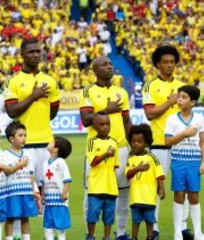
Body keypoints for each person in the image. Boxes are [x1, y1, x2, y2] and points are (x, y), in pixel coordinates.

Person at [79, 56, 131, 240]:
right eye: (104, 64)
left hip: (121, 148)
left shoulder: (122, 92)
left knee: (123, 192)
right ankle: (89, 234)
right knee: (91, 194)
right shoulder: (87, 92)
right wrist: (107, 109)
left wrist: (133, 147)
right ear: (95, 70)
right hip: (97, 149)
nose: (109, 67)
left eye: (110, 64)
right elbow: (85, 121)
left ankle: (121, 233)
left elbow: (126, 121)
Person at [142, 45, 190, 239]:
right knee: (155, 187)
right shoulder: (150, 86)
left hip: (181, 144)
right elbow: (150, 113)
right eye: (165, 62)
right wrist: (170, 101)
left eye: (172, 62)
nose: (169, 65)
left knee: (182, 187)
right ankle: (153, 228)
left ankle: (182, 228)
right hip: (159, 144)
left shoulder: (182, 87)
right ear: (157, 64)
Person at [4, 38, 60, 189]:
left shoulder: (50, 81)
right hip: (23, 145)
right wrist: (33, 96)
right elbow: (11, 111)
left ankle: (44, 214)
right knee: (25, 190)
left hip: (46, 143)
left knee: (48, 189)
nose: (35, 55)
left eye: (38, 51)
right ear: (22, 54)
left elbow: (52, 112)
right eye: (31, 52)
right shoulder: (13, 81)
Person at [165, 85, 204, 240]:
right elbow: (168, 142)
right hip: (178, 161)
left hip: (194, 162)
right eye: (179, 97)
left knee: (194, 196)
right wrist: (184, 134)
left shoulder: (199, 118)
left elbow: (203, 142)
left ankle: (198, 232)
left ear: (193, 102)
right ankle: (178, 233)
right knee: (179, 195)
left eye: (184, 97)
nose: (179, 100)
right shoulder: (171, 119)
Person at [125, 124, 165, 240]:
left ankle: (149, 236)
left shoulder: (152, 158)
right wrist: (137, 169)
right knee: (135, 220)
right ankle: (134, 237)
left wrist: (161, 188)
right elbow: (128, 175)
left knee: (149, 220)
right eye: (133, 141)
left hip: (149, 198)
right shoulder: (131, 158)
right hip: (135, 197)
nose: (135, 144)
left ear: (146, 143)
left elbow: (159, 175)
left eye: (139, 141)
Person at [85, 113, 119, 240]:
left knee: (109, 216)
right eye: (102, 124)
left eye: (108, 124)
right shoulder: (91, 142)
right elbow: (93, 162)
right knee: (92, 215)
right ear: (94, 127)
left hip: (110, 187)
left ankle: (107, 236)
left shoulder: (114, 143)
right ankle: (91, 236)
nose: (106, 127)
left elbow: (115, 166)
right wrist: (106, 154)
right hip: (96, 187)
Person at [3, 121, 38, 240]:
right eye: (20, 135)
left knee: (25, 217)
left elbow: (31, 173)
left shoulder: (28, 153)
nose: (24, 138)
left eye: (25, 135)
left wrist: (32, 189)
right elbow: (7, 171)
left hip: (26, 191)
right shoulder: (5, 155)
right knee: (10, 218)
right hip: (12, 192)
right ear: (11, 139)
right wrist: (20, 164)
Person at [40, 136, 72, 240]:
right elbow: (44, 181)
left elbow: (67, 180)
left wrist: (64, 193)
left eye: (52, 142)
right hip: (49, 201)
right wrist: (43, 194)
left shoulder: (61, 162)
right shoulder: (45, 163)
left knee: (60, 226)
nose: (49, 142)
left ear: (56, 149)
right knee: (48, 225)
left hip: (59, 200)